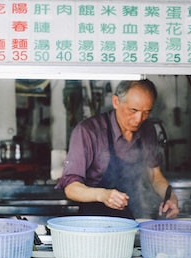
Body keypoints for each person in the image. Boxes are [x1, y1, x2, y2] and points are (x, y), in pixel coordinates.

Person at [56, 79, 179, 219]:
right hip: (96, 224)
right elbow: (71, 188)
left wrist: (171, 197)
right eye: (133, 110)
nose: (139, 119)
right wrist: (103, 195)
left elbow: (155, 176)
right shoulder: (88, 131)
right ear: (116, 102)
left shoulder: (148, 130)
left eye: (146, 112)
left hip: (136, 220)